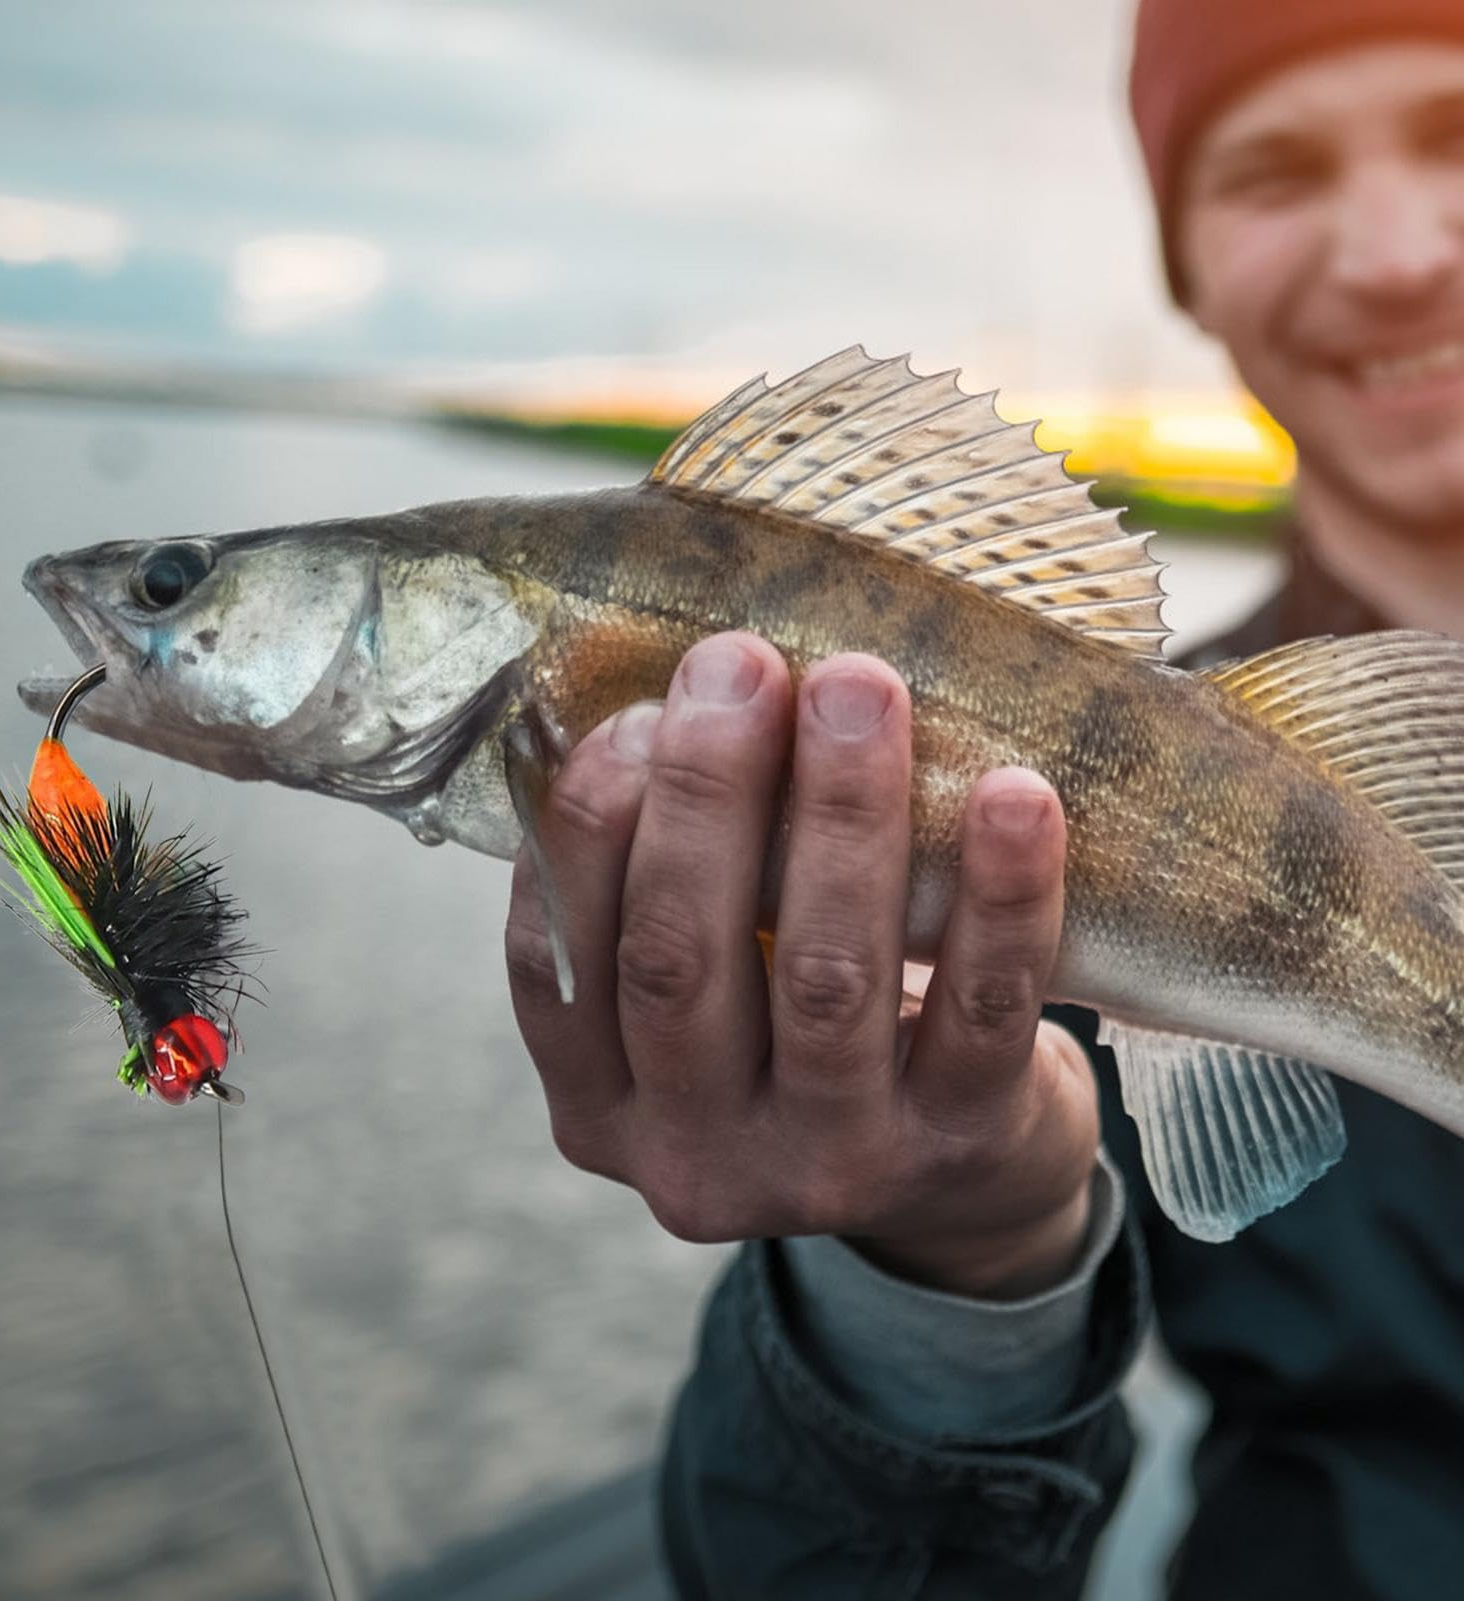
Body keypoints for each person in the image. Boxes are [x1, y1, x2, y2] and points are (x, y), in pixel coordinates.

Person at [503, 2, 1464, 1595]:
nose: (1389, 253)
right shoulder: (1019, 811)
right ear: (1189, 269)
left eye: (1454, 135)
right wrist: (946, 1264)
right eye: (1275, 172)